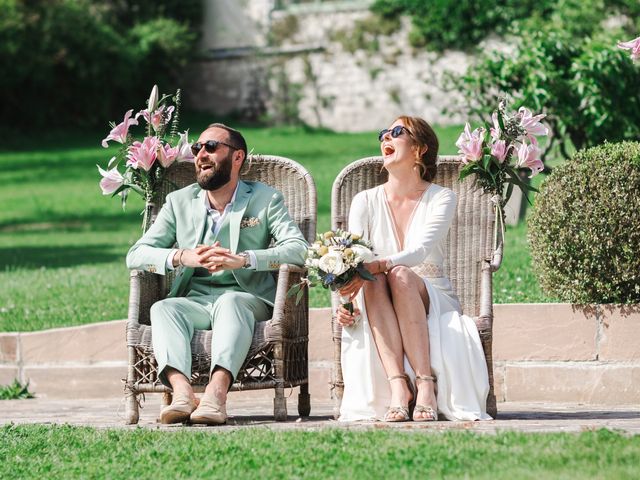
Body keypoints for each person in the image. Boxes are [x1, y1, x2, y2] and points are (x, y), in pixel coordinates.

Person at [126, 123, 307, 425]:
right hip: (195, 301)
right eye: (197, 148)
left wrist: (245, 259)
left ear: (237, 157)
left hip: (247, 299)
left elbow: (299, 249)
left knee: (231, 302)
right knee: (164, 308)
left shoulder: (265, 199)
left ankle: (216, 395)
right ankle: (183, 394)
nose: (201, 155)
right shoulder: (179, 202)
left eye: (211, 147)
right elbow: (136, 254)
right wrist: (184, 256)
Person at [337, 116, 491, 422]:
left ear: (419, 149)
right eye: (383, 134)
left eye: (396, 133)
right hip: (377, 295)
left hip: (431, 294)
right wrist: (348, 304)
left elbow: (420, 250)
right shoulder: (364, 201)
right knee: (374, 278)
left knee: (400, 273)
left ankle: (425, 385)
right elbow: (354, 258)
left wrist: (380, 263)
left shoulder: (442, 198)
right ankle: (399, 388)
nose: (385, 139)